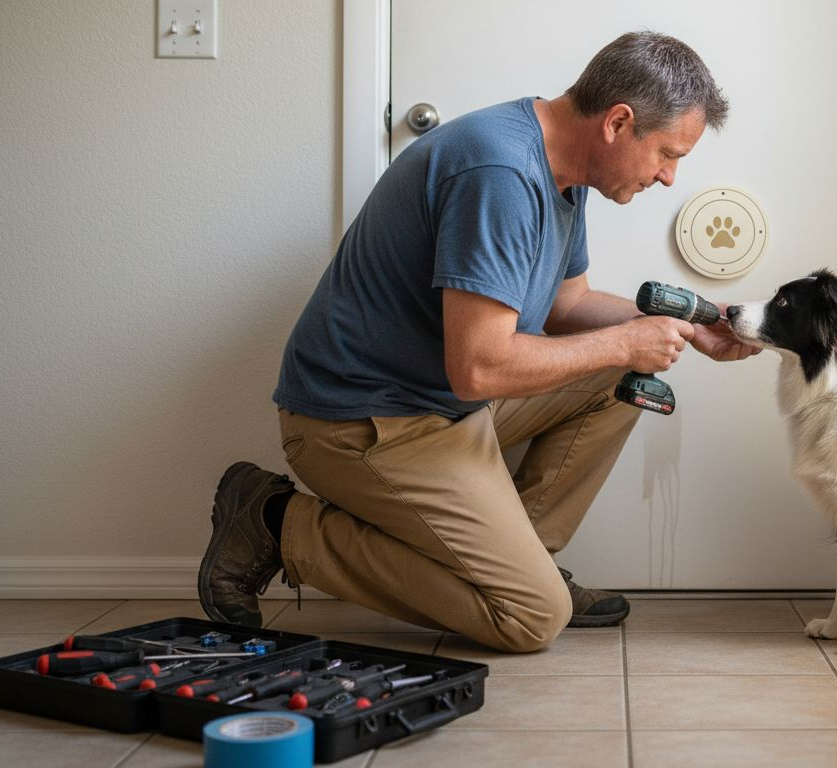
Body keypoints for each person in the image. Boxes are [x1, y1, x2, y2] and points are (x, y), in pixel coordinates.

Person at [197, 31, 758, 652]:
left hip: (443, 403)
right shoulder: (501, 173)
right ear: (618, 123)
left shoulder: (565, 171)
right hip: (362, 421)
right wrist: (627, 342)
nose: (670, 177)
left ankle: (523, 564)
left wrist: (694, 324)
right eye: (668, 154)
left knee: (624, 378)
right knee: (531, 619)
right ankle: (276, 525)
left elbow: (567, 307)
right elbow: (479, 369)